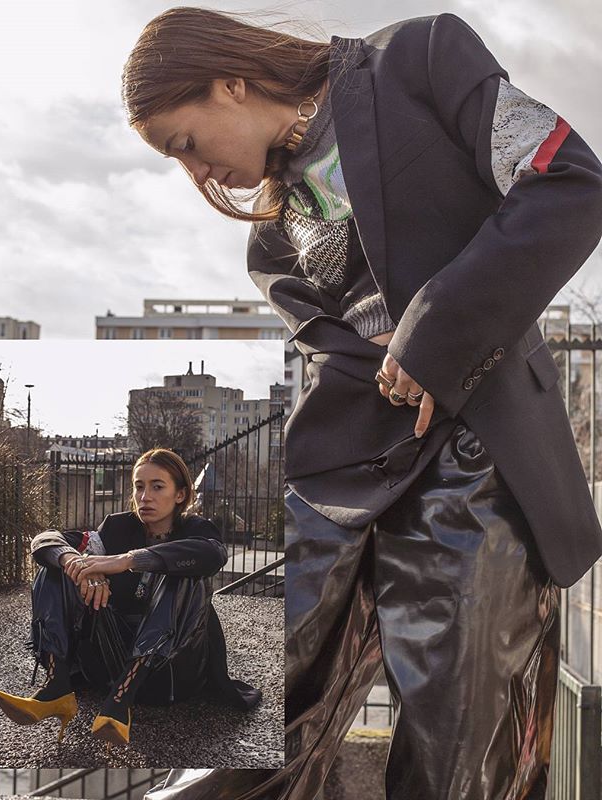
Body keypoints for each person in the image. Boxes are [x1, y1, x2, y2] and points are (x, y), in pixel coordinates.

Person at [122, 7, 602, 799]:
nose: (198, 174)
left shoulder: (420, 58)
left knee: (457, 758)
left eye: (187, 144)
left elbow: (568, 180)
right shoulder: (269, 244)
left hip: (481, 472)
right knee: (239, 724)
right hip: (343, 484)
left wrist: (434, 332)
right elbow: (334, 362)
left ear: (229, 84)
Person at [0, 448, 262, 747]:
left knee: (182, 574)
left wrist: (127, 560)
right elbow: (45, 540)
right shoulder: (116, 527)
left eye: (157, 487)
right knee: (54, 568)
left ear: (180, 494)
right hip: (110, 660)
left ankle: (121, 701)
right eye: (139, 486)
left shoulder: (197, 530)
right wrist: (77, 564)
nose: (145, 497)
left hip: (171, 672)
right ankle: (56, 687)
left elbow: (212, 554)